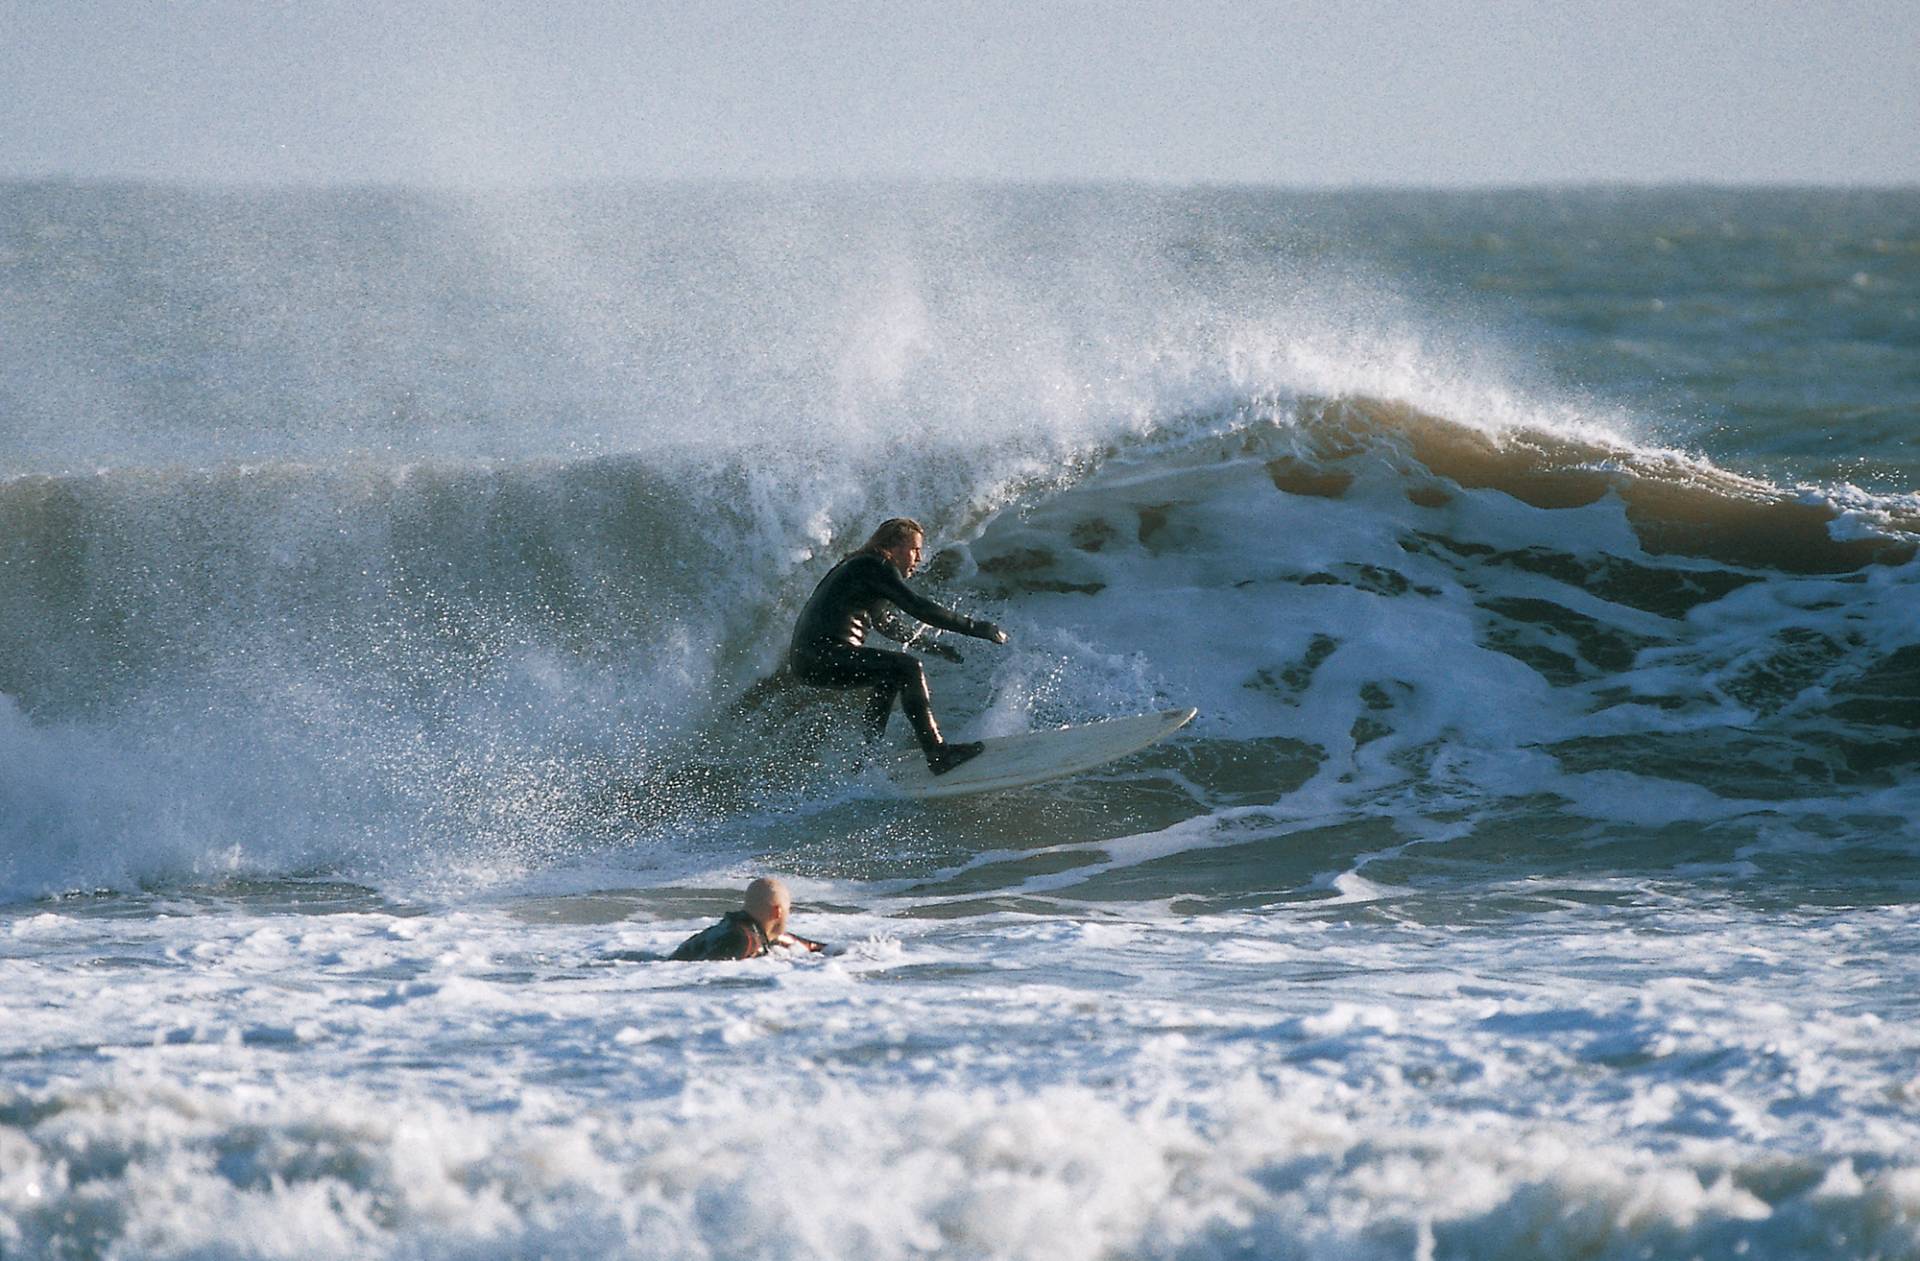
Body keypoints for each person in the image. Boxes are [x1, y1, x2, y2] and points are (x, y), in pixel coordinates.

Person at [788, 517, 1009, 775]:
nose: (919, 558)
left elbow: (886, 624)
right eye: (914, 549)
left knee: (890, 674)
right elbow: (917, 606)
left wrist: (934, 647)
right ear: (893, 546)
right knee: (907, 667)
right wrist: (976, 627)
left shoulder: (861, 568)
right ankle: (939, 753)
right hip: (824, 654)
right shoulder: (875, 564)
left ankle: (866, 760)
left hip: (810, 660)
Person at [668, 876, 824, 962]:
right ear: (777, 912)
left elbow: (809, 946)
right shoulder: (744, 941)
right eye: (788, 910)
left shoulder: (745, 930)